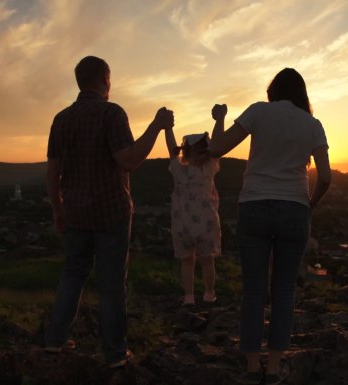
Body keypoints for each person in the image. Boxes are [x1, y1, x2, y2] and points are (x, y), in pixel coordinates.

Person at [44, 55, 174, 368]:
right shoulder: (111, 113)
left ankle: (55, 341)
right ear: (106, 79)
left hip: (75, 212)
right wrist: (156, 127)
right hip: (112, 212)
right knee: (112, 284)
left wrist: (58, 210)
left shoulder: (61, 119)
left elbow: (52, 173)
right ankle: (115, 354)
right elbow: (128, 160)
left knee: (73, 274)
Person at [209, 68, 331, 385]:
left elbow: (216, 148)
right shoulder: (313, 125)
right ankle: (274, 367)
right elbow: (326, 177)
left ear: (272, 92)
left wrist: (220, 119)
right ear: (301, 94)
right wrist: (309, 204)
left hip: (255, 206)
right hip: (294, 208)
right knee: (284, 290)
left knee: (254, 290)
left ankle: (251, 367)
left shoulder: (258, 112)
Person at [164, 108, 224, 306]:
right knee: (207, 261)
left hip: (182, 225)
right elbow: (218, 144)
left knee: (186, 262)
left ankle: (188, 297)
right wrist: (220, 119)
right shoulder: (208, 168)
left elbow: (171, 148)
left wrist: (167, 128)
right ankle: (209, 294)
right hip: (206, 223)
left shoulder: (179, 170)